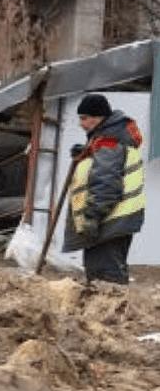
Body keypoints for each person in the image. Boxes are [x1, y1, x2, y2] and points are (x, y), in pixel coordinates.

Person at [63, 93, 146, 285]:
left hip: (109, 219)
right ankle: (114, 312)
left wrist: (92, 217)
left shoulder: (109, 142)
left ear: (98, 118)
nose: (81, 124)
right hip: (117, 218)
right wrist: (86, 152)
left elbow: (106, 184)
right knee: (109, 272)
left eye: (84, 118)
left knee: (104, 276)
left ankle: (110, 313)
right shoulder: (111, 139)